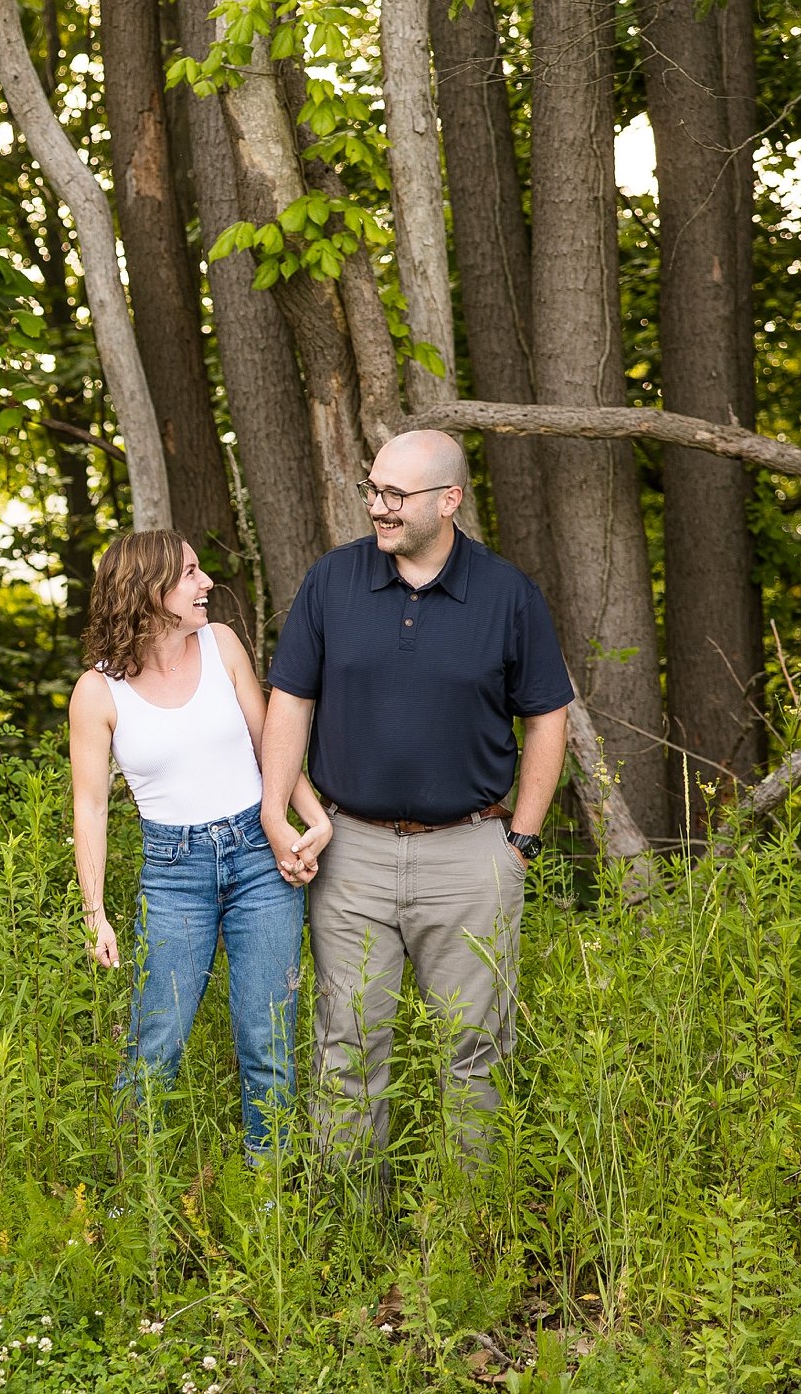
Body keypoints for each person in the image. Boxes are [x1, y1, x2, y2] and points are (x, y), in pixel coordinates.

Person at [257, 429, 571, 1168]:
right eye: (372, 490)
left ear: (449, 499)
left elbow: (547, 717)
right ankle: (348, 1238)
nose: (377, 507)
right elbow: (290, 699)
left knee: (475, 1051)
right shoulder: (333, 581)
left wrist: (520, 842)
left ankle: (469, 1240)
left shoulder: (507, 594)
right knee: (347, 1046)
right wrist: (278, 808)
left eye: (394, 495)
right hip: (350, 853)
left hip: (470, 854)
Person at [69, 531, 333, 1156]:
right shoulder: (98, 692)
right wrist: (94, 912)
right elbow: (91, 807)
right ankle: (139, 1200)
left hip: (259, 858)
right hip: (173, 871)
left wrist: (311, 819)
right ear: (147, 589)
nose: (206, 583)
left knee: (268, 1038)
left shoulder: (221, 645)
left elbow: (274, 741)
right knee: (157, 1042)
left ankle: (268, 1198)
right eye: (189, 573)